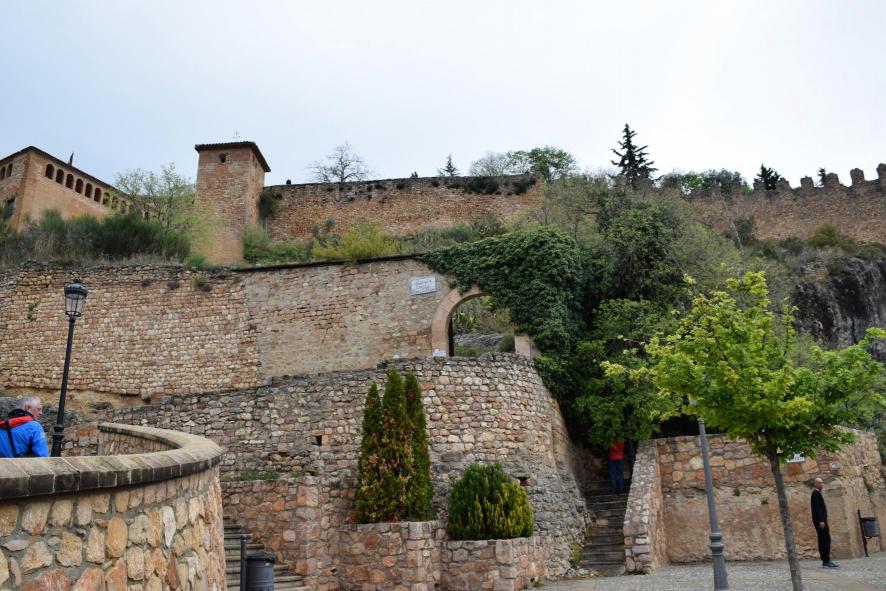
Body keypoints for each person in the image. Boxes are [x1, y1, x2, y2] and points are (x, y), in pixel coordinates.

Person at [811, 477, 839, 568]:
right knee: (824, 540)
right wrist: (821, 521)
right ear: (815, 484)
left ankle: (826, 560)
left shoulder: (817, 493)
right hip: (821, 522)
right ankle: (826, 561)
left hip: (822, 520)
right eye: (819, 483)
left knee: (825, 539)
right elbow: (817, 509)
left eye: (822, 483)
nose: (821, 484)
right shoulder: (815, 494)